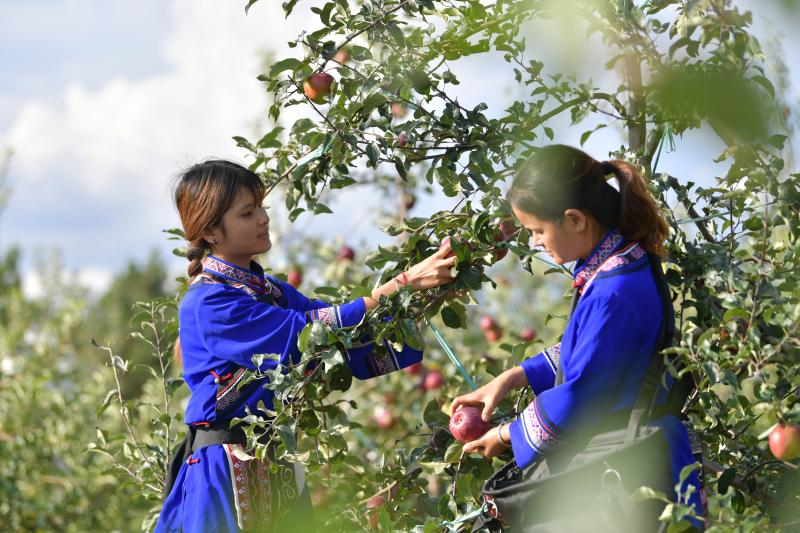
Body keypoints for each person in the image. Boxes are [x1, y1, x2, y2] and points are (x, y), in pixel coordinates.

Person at [155, 159, 458, 533]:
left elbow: (342, 335)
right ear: (211, 231)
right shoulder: (208, 303)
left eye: (261, 207)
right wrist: (403, 284)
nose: (264, 218)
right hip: (225, 469)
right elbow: (303, 334)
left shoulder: (272, 292)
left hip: (275, 459)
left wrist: (424, 298)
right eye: (247, 213)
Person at [451, 145, 704, 531]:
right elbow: (592, 351)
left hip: (625, 472)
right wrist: (512, 377)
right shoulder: (624, 262)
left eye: (538, 230)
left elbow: (578, 396)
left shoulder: (612, 293)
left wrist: (506, 434)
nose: (535, 242)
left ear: (574, 219)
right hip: (634, 453)